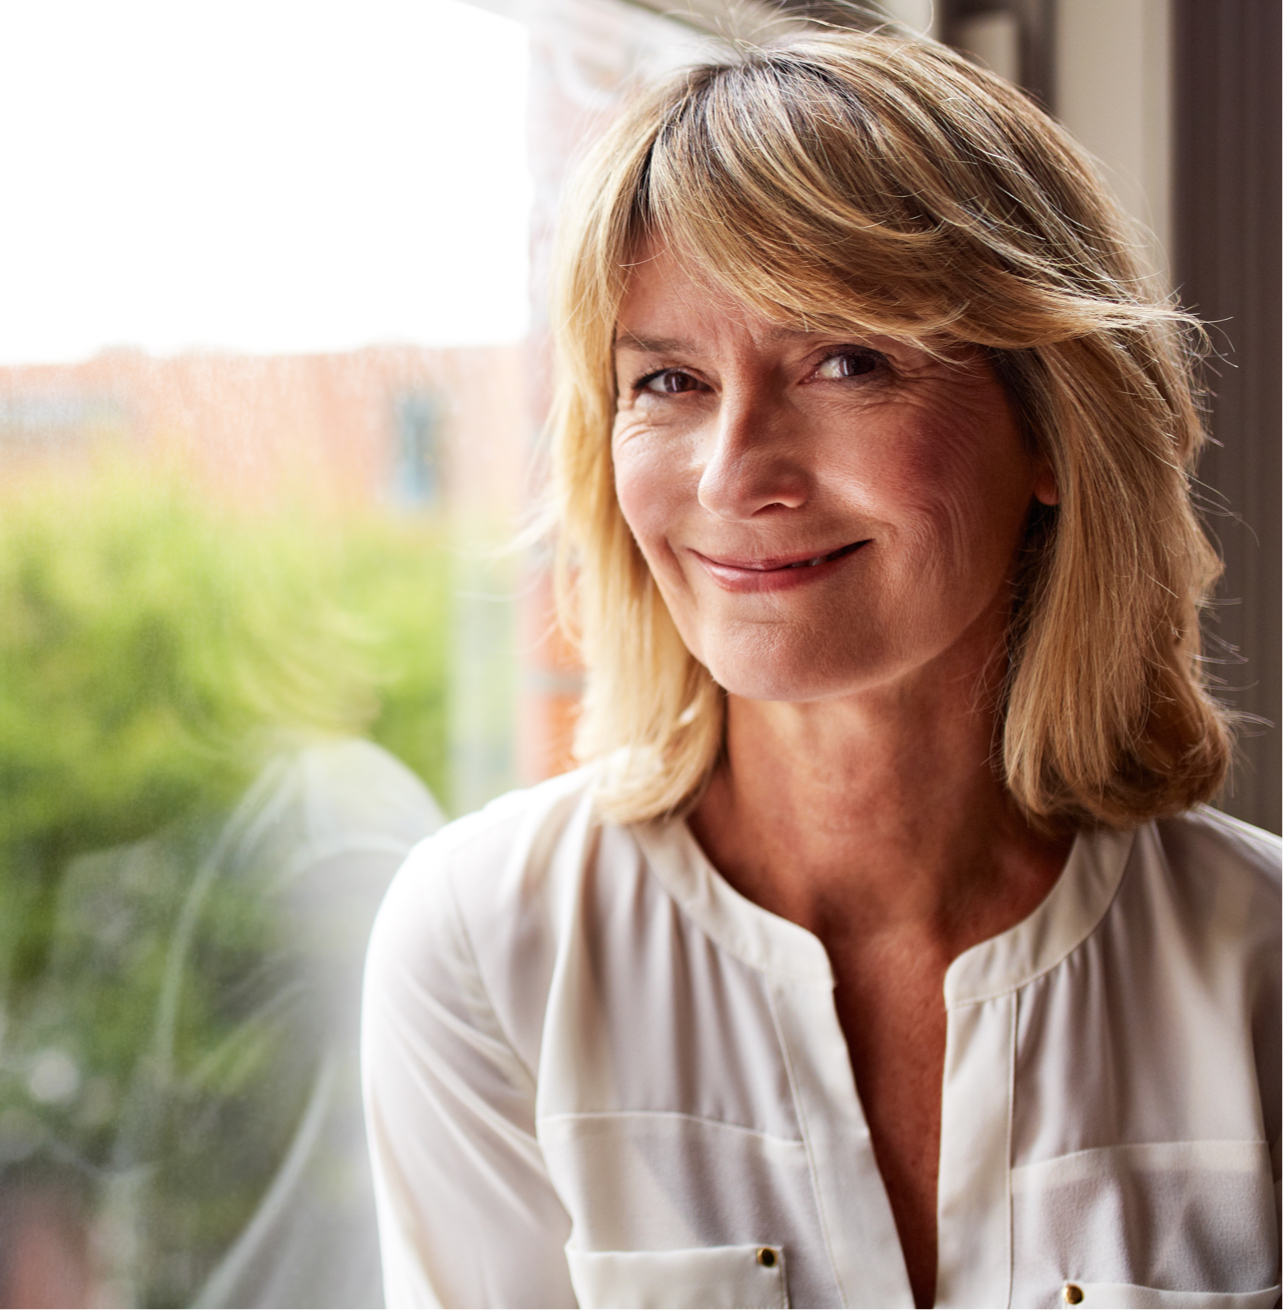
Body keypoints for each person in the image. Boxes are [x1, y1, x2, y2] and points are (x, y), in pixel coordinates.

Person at [362, 26, 1281, 1310]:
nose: (734, 473)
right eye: (668, 380)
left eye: (845, 361)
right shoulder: (485, 943)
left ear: (1053, 431)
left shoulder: (1258, 959)